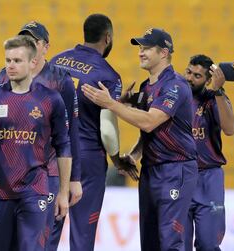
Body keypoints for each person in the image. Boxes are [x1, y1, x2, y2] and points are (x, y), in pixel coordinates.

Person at [82, 28, 198, 251]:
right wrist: (134, 155)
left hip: (176, 169)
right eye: (140, 48)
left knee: (171, 242)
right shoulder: (146, 88)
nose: (140, 53)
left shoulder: (175, 85)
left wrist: (111, 104)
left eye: (146, 48)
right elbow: (150, 134)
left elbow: (149, 122)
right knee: (150, 242)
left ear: (164, 53)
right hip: (150, 171)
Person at [0, 35, 72, 251]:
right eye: (8, 60)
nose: (11, 66)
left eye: (17, 61)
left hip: (35, 189)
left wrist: (63, 193)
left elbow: (64, 146)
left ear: (32, 63)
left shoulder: (51, 100)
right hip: (0, 190)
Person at [49, 13, 123, 251]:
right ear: (108, 38)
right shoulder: (108, 75)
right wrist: (116, 157)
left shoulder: (56, 61)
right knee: (83, 234)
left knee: (47, 231)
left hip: (52, 154)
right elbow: (108, 131)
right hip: (88, 157)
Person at [183, 54, 234, 251]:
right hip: (180, 175)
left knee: (208, 244)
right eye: (188, 72)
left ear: (208, 80)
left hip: (208, 178)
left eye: (197, 76)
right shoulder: (176, 95)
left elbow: (230, 129)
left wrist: (219, 91)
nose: (189, 78)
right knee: (178, 245)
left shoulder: (214, 99)